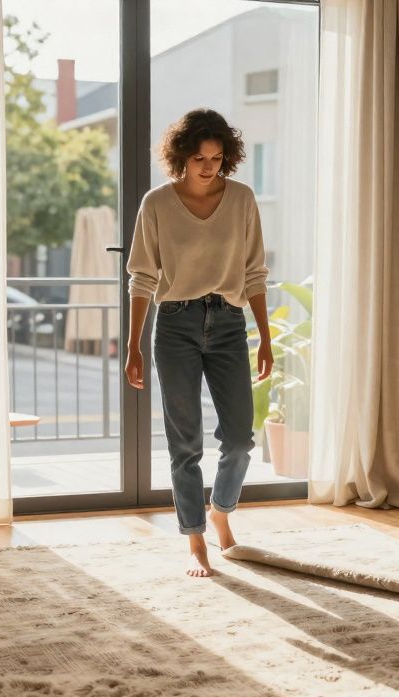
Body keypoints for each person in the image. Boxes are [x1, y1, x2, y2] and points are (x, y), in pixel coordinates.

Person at [123, 108, 273, 578]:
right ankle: (195, 540)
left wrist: (265, 337)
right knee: (184, 444)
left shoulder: (242, 199)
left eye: (216, 157)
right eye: (199, 158)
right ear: (181, 157)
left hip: (229, 323)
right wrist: (133, 345)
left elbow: (254, 272)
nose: (208, 167)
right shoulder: (157, 203)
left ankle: (221, 511)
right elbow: (142, 277)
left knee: (240, 440)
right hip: (175, 326)